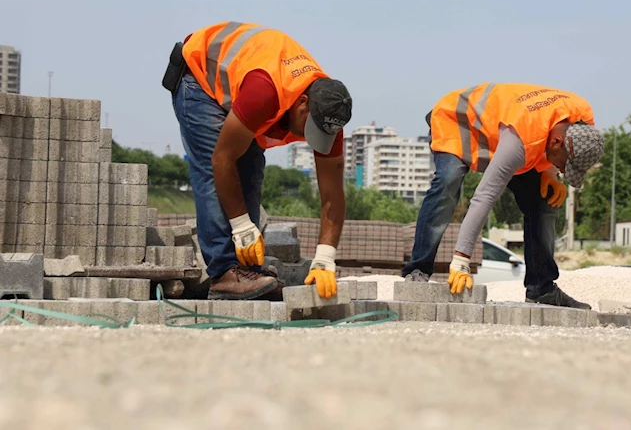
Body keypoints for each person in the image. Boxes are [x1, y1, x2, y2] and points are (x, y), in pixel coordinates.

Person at [166, 22, 352, 300]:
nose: (307, 137)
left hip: (244, 84)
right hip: (199, 75)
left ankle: (247, 272)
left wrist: (325, 258)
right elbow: (222, 159)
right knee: (211, 166)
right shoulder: (266, 91)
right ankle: (224, 273)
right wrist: (241, 227)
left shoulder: (329, 114)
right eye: (309, 127)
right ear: (302, 103)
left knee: (251, 170)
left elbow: (332, 196)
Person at [401, 83, 604, 309]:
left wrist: (549, 171)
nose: (565, 172)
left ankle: (541, 289)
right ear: (557, 143)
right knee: (448, 183)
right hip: (457, 120)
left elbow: (553, 128)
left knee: (543, 201)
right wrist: (461, 260)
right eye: (566, 165)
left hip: (501, 129)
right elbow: (484, 196)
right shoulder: (522, 140)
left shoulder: (583, 124)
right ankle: (418, 270)